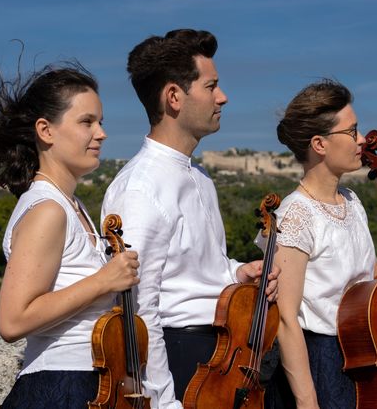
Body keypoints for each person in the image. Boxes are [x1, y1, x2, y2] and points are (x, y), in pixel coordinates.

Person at [101, 28, 280, 409]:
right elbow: (137, 308)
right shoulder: (140, 188)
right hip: (180, 361)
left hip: (220, 355)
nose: (223, 97)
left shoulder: (199, 178)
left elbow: (189, 273)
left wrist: (235, 273)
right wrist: (164, 401)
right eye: (211, 86)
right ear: (174, 97)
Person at [0, 61, 140, 408]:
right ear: (46, 131)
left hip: (84, 383)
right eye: (86, 122)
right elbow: (12, 320)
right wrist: (103, 281)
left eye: (100, 122)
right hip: (62, 385)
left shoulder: (70, 205)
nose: (101, 133)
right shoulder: (48, 210)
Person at [268, 78, 377, 409]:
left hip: (362, 353)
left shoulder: (351, 201)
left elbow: (365, 273)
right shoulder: (296, 215)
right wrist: (307, 401)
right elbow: (286, 319)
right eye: (351, 132)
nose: (362, 140)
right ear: (320, 144)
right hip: (320, 362)